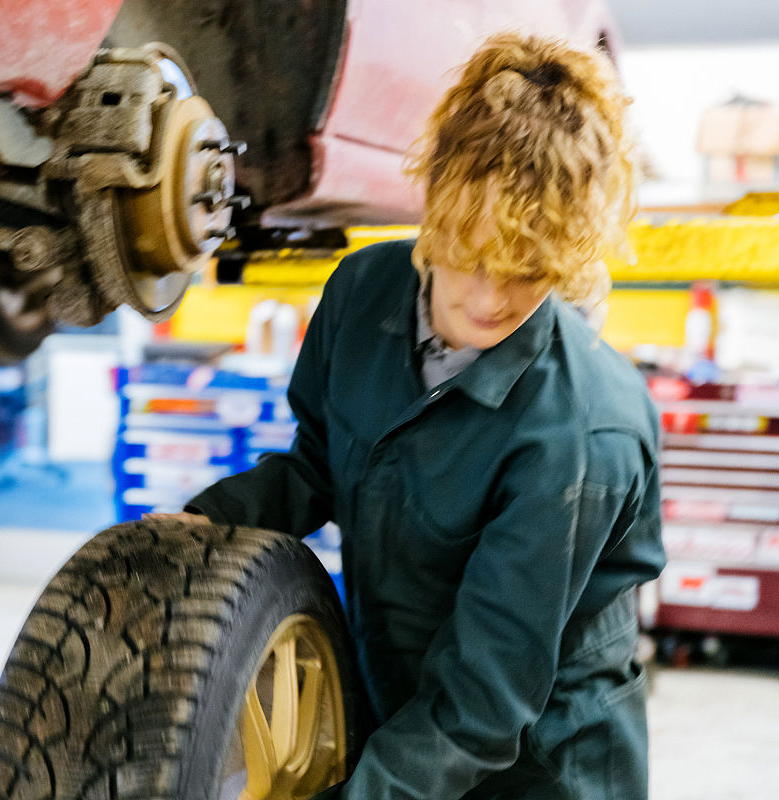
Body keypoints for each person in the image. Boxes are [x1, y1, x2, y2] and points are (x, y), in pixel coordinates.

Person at [158, 32, 666, 799]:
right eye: (474, 256)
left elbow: (481, 708)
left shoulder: (583, 434)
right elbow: (320, 463)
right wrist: (212, 520)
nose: (493, 300)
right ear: (433, 204)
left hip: (544, 766)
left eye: (528, 272)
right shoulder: (360, 294)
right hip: (401, 711)